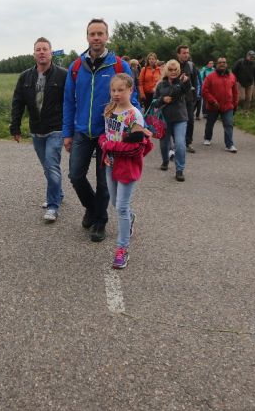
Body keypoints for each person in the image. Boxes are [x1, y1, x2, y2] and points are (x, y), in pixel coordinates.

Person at [63, 18, 138, 242]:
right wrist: (67, 132)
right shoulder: (76, 67)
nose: (96, 37)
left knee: (104, 182)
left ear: (107, 36)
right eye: (92, 34)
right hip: (82, 131)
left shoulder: (119, 66)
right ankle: (93, 208)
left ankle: (100, 221)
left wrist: (135, 127)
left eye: (100, 33)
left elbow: (132, 98)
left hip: (110, 134)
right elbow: (69, 102)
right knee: (75, 175)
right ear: (87, 37)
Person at [98, 73, 153, 269]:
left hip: (128, 166)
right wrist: (104, 145)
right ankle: (130, 218)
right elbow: (105, 135)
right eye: (113, 90)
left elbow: (137, 148)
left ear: (131, 90)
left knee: (121, 207)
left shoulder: (134, 115)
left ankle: (122, 249)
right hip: (110, 164)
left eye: (121, 90)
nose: (116, 94)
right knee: (115, 203)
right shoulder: (109, 109)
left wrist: (109, 146)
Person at [10, 37, 67, 222]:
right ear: (34, 53)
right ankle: (58, 193)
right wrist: (15, 126)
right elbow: (18, 103)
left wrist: (71, 129)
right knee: (47, 167)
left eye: (45, 49)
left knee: (51, 165)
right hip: (36, 129)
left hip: (56, 128)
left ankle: (53, 206)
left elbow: (71, 102)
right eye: (38, 49)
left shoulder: (63, 75)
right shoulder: (25, 77)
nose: (41, 52)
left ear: (51, 52)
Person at [154, 60, 191, 181]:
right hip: (164, 119)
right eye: (170, 70)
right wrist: (163, 99)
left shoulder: (182, 82)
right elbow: (154, 102)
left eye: (175, 70)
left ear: (179, 70)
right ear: (166, 70)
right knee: (164, 144)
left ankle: (179, 170)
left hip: (180, 118)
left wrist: (186, 81)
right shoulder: (161, 85)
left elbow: (187, 89)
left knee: (180, 144)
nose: (173, 72)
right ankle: (165, 160)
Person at [201, 57, 239, 152]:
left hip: (228, 106)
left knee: (228, 124)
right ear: (217, 64)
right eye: (220, 62)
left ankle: (229, 145)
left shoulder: (232, 76)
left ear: (227, 64)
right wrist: (213, 101)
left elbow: (235, 92)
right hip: (213, 106)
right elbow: (204, 91)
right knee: (210, 123)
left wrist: (235, 104)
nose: (222, 64)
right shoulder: (210, 76)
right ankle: (207, 138)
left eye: (224, 62)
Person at [176, 45, 200, 153]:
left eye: (187, 52)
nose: (186, 55)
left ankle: (188, 142)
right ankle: (176, 142)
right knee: (177, 121)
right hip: (176, 98)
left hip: (189, 98)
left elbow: (195, 82)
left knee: (190, 120)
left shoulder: (191, 65)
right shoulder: (173, 65)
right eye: (184, 53)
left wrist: (195, 96)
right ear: (178, 54)